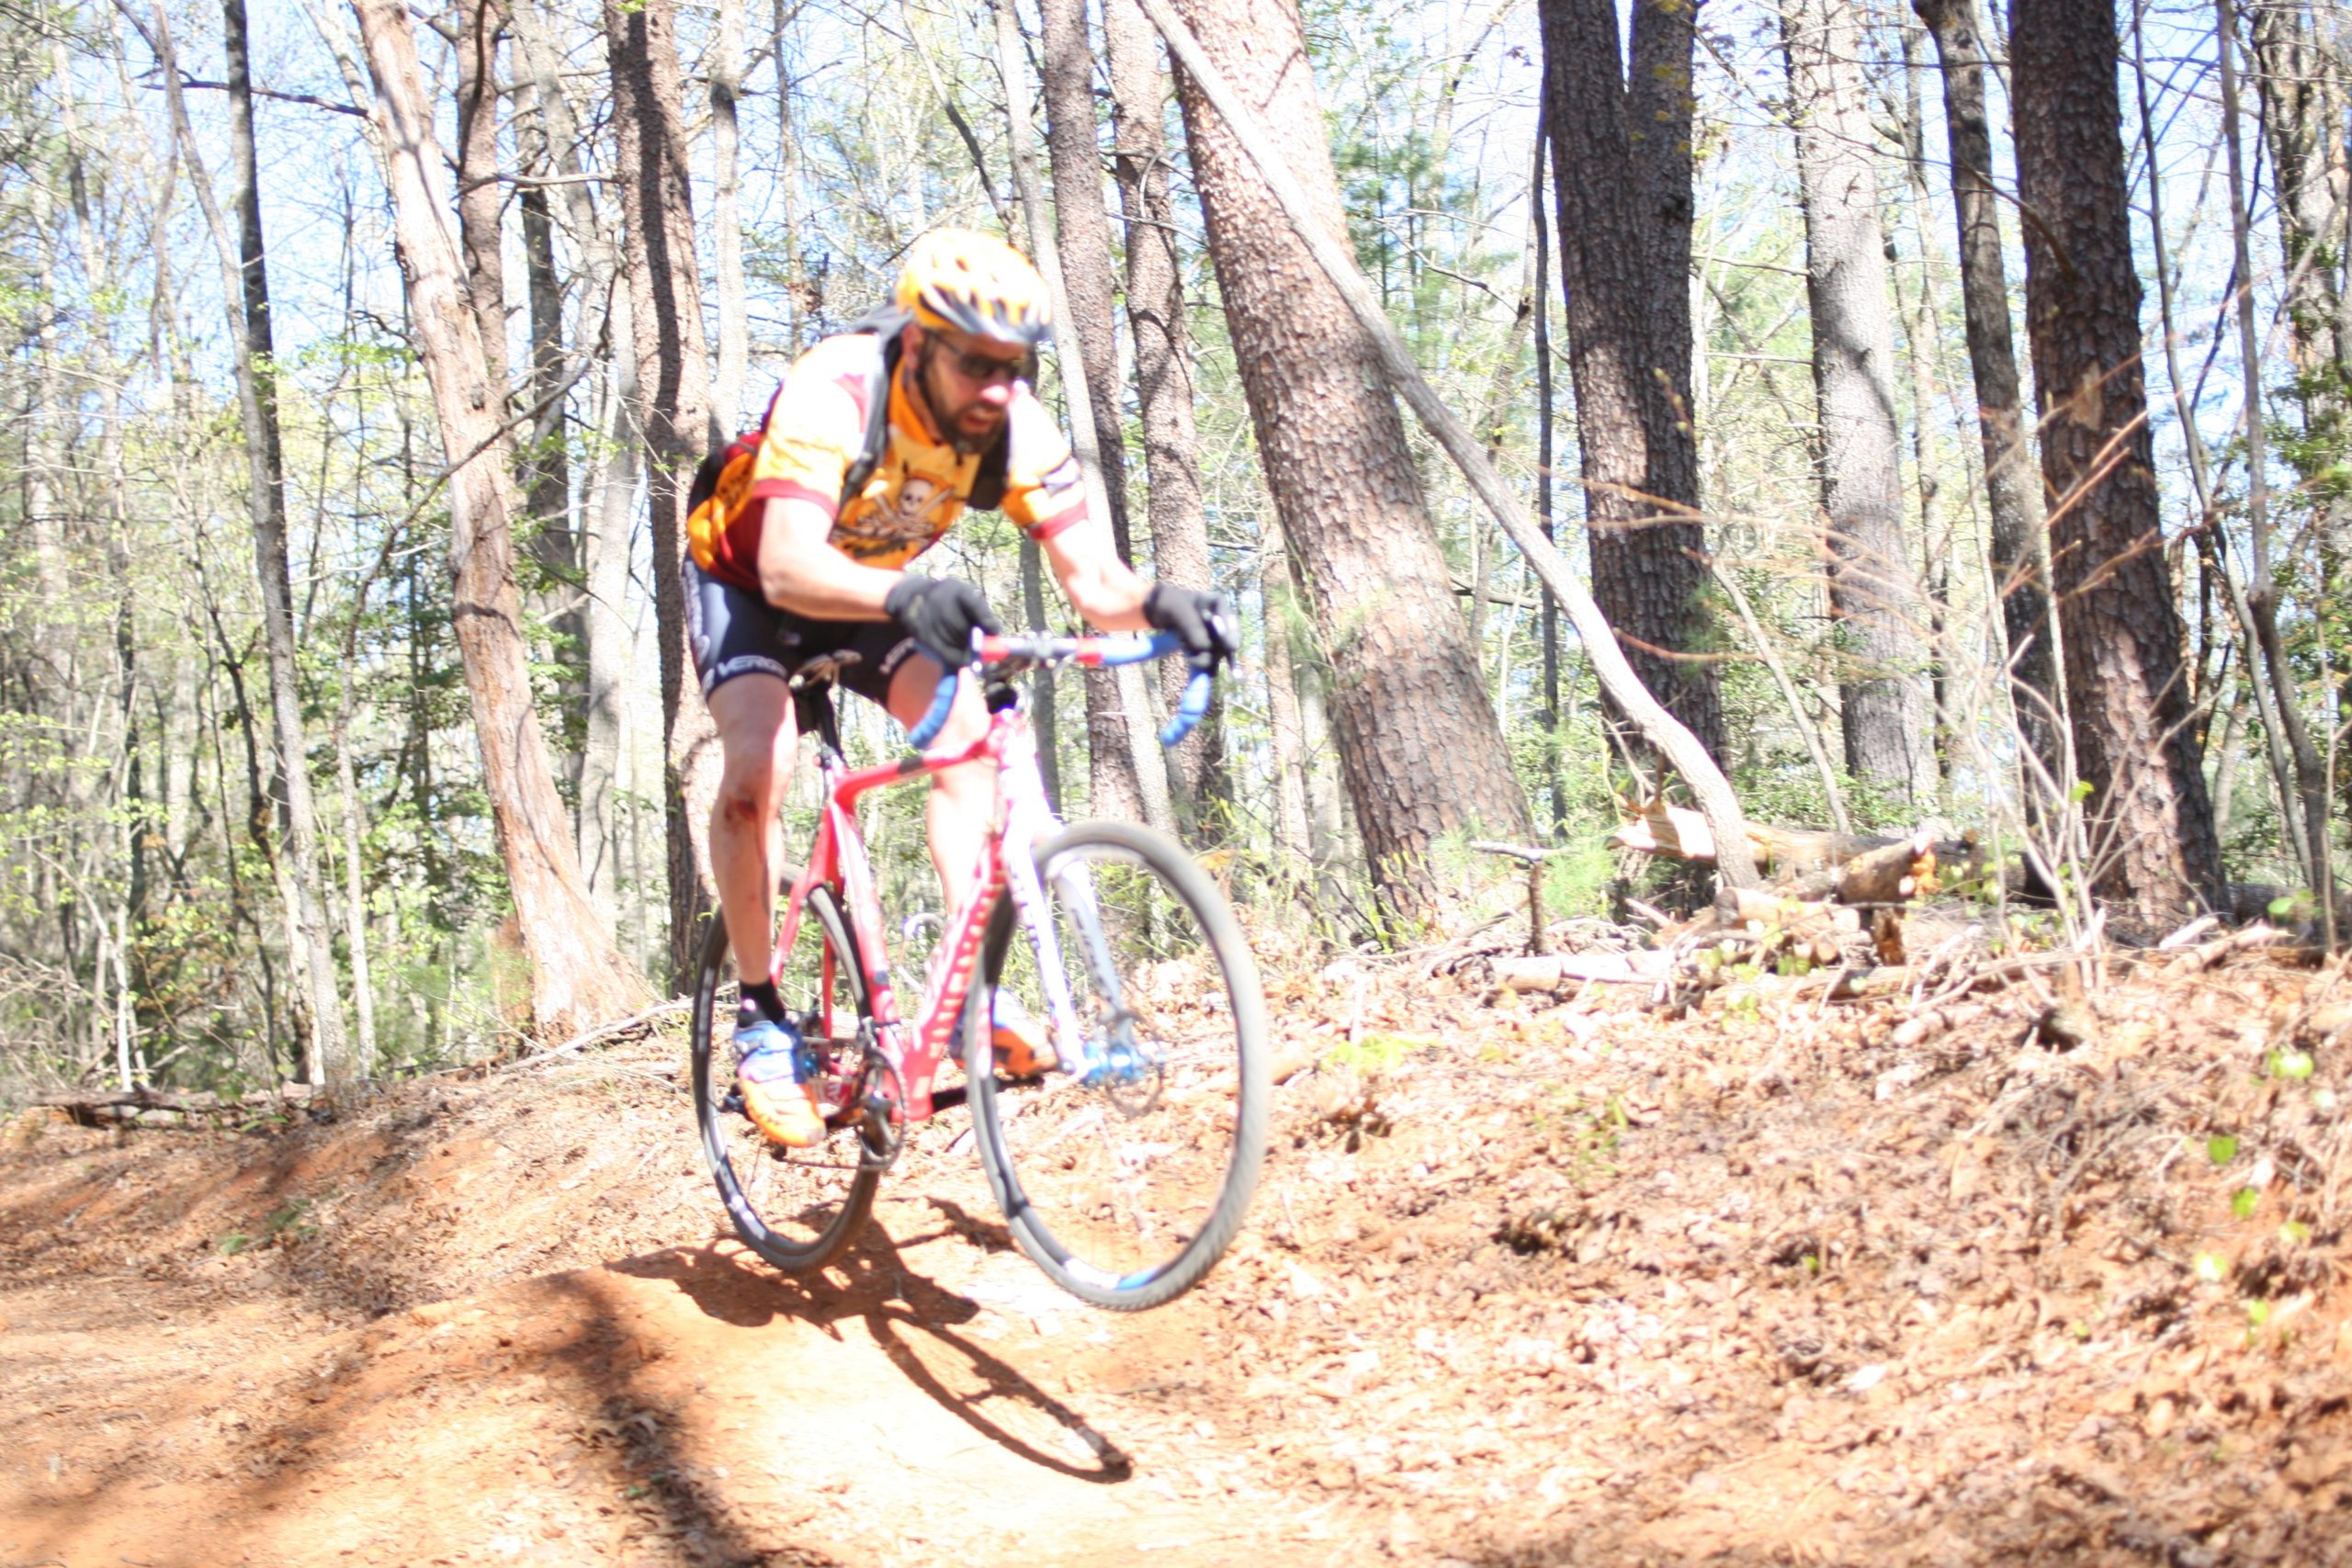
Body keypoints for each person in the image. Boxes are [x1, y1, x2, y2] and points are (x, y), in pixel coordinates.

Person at [685, 228, 1236, 1148]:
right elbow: (785, 567)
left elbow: (1094, 586)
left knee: (971, 742)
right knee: (755, 773)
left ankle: (969, 993)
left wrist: (1168, 604)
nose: (997, 388)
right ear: (920, 342)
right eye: (977, 364)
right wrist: (908, 590)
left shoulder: (1012, 424)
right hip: (750, 580)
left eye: (1014, 366)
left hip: (870, 591)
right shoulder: (841, 388)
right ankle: (761, 1021)